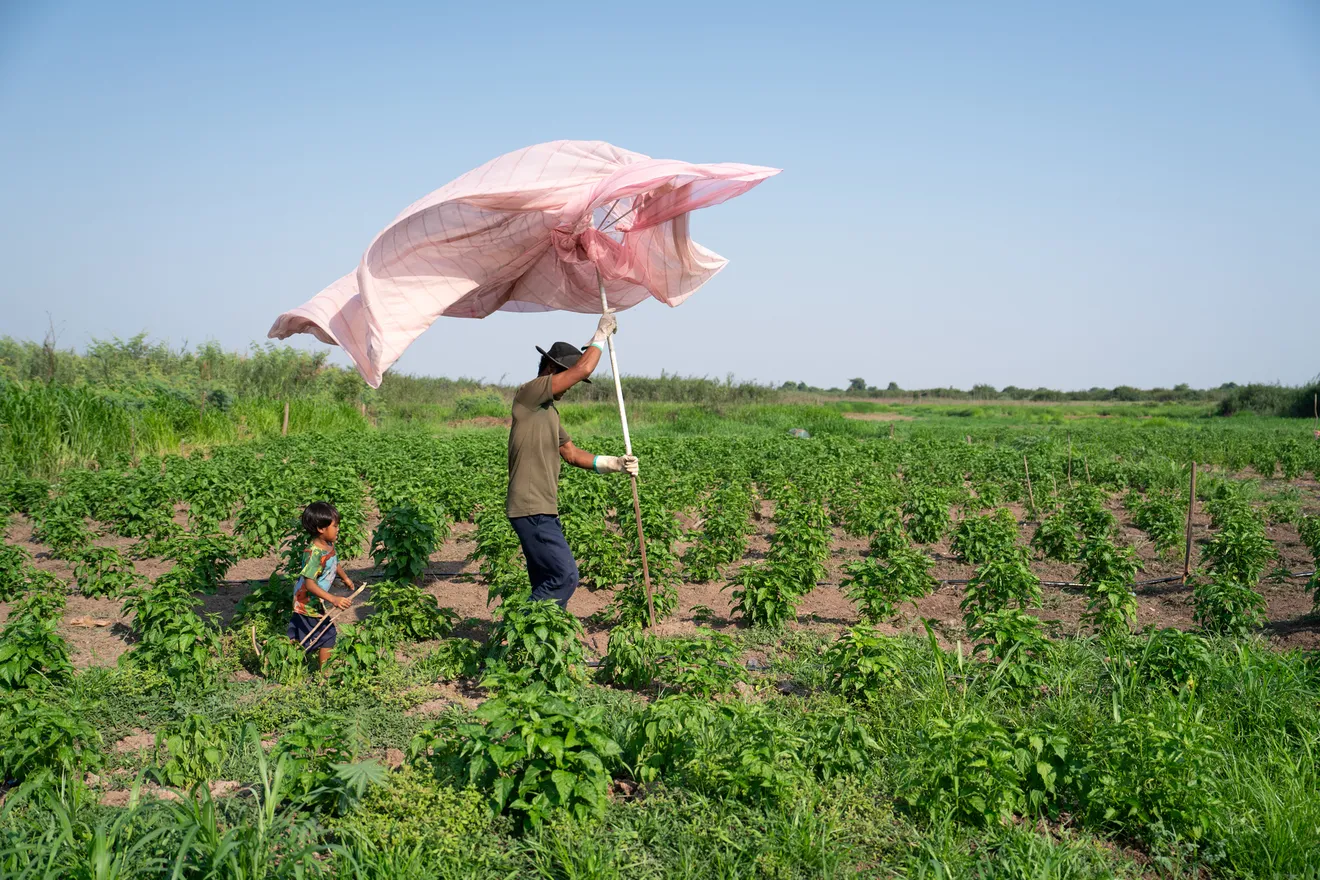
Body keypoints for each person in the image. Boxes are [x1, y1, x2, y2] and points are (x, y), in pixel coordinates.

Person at [507, 313, 639, 609]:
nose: (569, 387)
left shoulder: (548, 412)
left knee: (546, 582)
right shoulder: (530, 393)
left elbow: (572, 454)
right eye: (564, 377)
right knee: (565, 577)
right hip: (531, 508)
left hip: (541, 508)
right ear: (552, 369)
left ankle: (543, 650)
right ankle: (518, 633)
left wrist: (616, 463)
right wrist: (600, 337)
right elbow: (583, 369)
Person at [288, 501, 355, 669]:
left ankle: (279, 651)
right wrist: (333, 599)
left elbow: (334, 561)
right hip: (307, 601)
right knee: (327, 634)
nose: (338, 529)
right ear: (321, 529)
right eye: (335, 525)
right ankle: (324, 674)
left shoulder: (328, 545)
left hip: (312, 600)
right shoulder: (314, 554)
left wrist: (345, 577)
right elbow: (310, 584)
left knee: (300, 634)